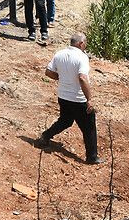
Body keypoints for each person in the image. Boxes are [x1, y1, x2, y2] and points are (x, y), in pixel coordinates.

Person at [35, 33, 99, 164]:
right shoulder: (82, 57)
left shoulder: (60, 54)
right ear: (81, 43)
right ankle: (92, 157)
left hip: (63, 96)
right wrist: (89, 99)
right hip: (78, 99)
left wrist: (61, 78)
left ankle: (46, 136)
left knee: (65, 120)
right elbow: (82, 78)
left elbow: (48, 72)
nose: (85, 45)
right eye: (85, 43)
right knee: (89, 127)